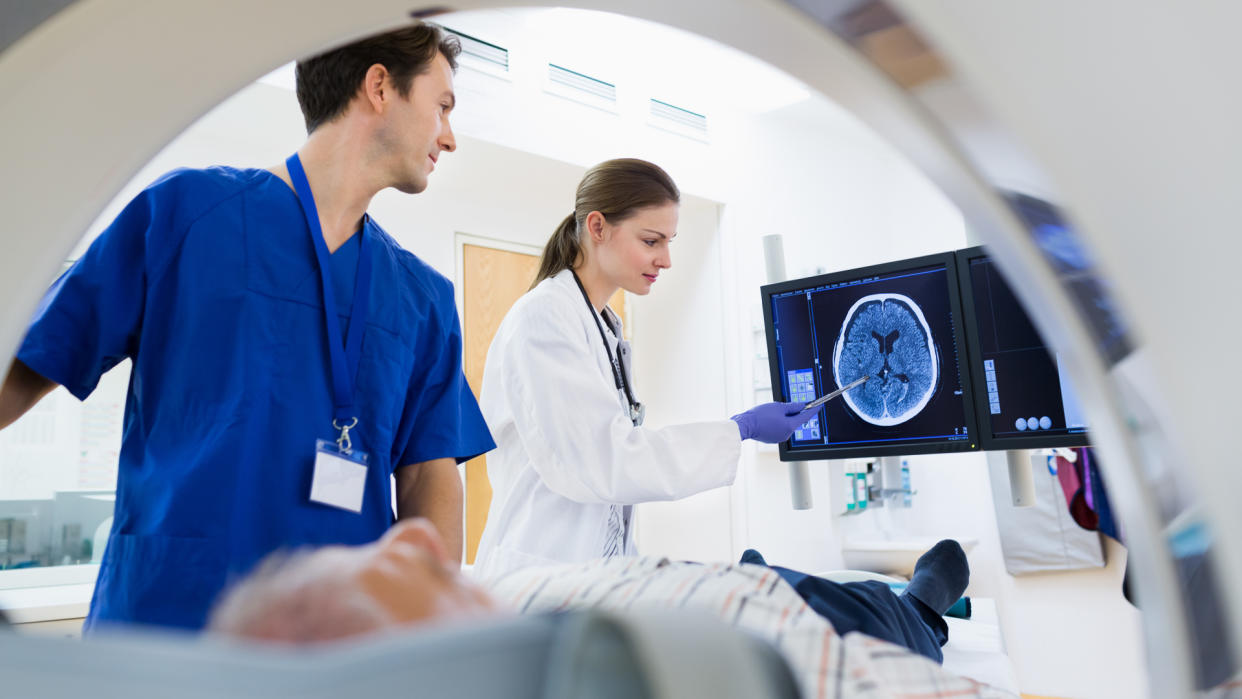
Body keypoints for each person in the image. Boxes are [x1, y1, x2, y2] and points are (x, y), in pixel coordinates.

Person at [0, 21, 494, 631]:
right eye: (442, 106)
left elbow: (429, 475)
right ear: (379, 87)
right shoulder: (183, 215)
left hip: (338, 643)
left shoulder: (422, 298)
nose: (449, 138)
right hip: (169, 620)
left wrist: (430, 631)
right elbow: (30, 363)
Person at [472, 158, 814, 579]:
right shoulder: (543, 319)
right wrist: (738, 429)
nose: (666, 259)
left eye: (669, 241)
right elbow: (607, 461)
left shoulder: (601, 326)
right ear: (597, 227)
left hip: (587, 578)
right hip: (540, 573)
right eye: (652, 241)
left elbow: (609, 496)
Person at [209, 520, 1011, 698]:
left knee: (763, 568)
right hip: (807, 618)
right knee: (911, 600)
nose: (416, 536)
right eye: (387, 562)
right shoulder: (690, 669)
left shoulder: (502, 592)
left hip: (712, 580)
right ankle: (929, 604)